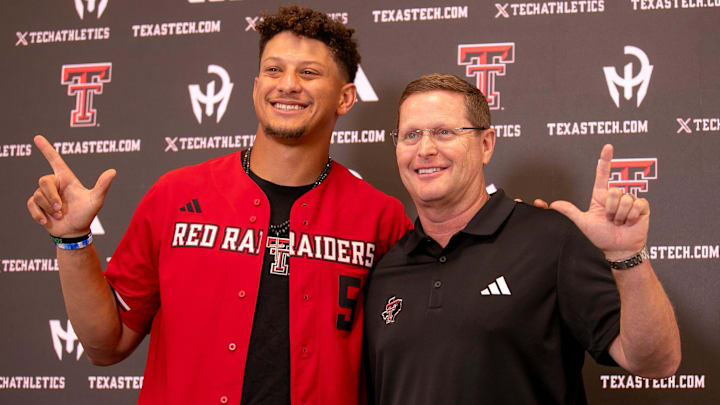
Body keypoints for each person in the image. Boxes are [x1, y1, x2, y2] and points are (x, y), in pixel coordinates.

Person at [26, 6, 411, 405]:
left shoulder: (381, 219)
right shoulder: (175, 195)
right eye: (274, 70)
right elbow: (106, 345)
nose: (288, 85)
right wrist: (72, 240)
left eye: (309, 73)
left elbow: (410, 356)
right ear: (256, 85)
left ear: (346, 98)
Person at [364, 73, 681, 404]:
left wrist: (626, 256)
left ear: (485, 145)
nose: (425, 149)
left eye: (445, 132)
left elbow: (656, 361)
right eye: (411, 135)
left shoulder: (550, 240)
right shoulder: (387, 269)